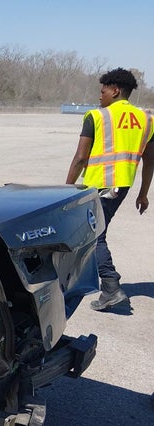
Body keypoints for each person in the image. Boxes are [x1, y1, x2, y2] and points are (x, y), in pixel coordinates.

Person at [66, 68, 154, 310]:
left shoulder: (97, 116)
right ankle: (89, 280)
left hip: (98, 185)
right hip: (121, 186)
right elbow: (150, 161)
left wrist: (65, 190)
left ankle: (111, 286)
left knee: (94, 236)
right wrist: (143, 193)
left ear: (115, 90)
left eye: (102, 91)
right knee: (93, 232)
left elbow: (80, 157)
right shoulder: (147, 119)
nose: (100, 96)